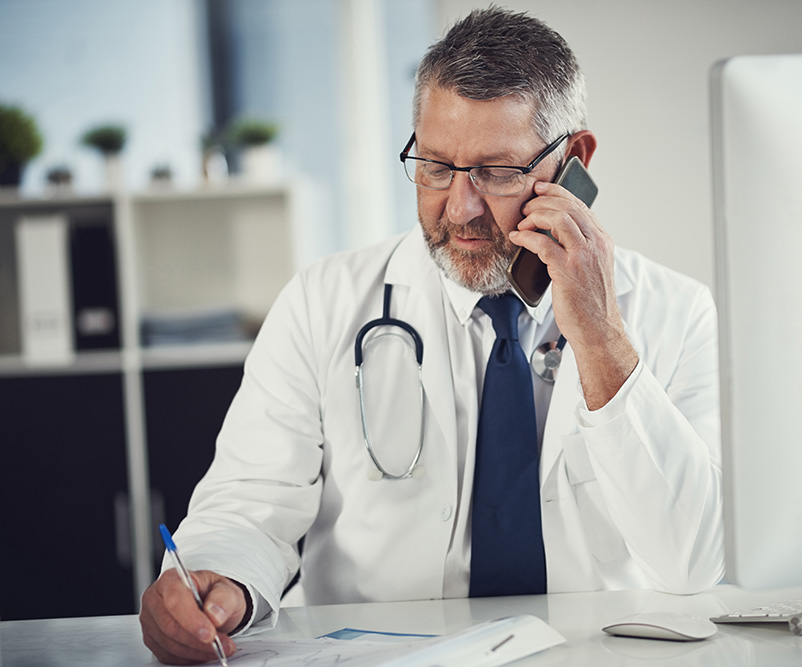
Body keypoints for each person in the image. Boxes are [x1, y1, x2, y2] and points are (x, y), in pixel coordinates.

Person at [139, 6, 723, 664]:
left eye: (497, 172)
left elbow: (693, 561)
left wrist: (600, 335)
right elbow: (249, 502)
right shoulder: (322, 302)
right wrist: (221, 578)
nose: (461, 206)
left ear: (575, 162)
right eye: (436, 166)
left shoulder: (677, 312)